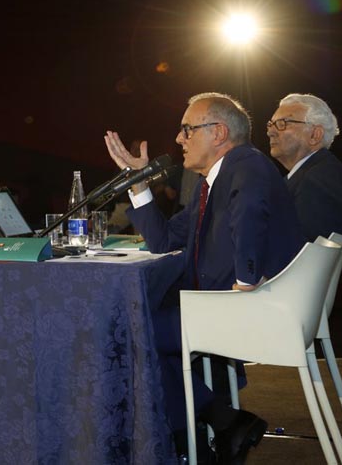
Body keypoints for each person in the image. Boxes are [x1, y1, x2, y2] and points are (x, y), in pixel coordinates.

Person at [103, 92, 304, 462]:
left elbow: (251, 220)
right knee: (137, 324)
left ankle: (199, 434)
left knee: (129, 330)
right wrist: (138, 181)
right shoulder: (212, 182)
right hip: (233, 305)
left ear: (218, 132)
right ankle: (216, 425)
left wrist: (242, 289)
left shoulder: (247, 166)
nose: (179, 139)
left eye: (187, 130)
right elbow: (163, 239)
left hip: (257, 310)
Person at [267, 93, 342, 241]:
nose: (270, 132)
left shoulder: (319, 181)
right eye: (271, 124)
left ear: (315, 135)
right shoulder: (315, 174)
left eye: (283, 123)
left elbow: (297, 252)